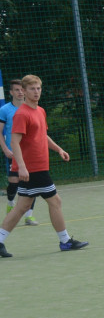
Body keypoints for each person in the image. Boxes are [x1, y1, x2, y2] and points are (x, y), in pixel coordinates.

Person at [0, 75, 88, 257]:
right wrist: (22, 167)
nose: (36, 92)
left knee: (21, 207)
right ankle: (65, 241)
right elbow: (14, 142)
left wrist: (59, 149)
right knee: (55, 201)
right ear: (23, 92)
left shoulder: (40, 111)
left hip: (38, 167)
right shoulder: (21, 114)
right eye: (32, 89)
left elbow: (42, 136)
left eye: (38, 88)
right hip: (33, 169)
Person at [1, 78, 40, 226]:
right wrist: (5, 148)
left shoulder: (32, 108)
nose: (19, 92)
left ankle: (29, 216)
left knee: (32, 181)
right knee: (14, 182)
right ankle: (11, 201)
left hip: (30, 153)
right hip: (13, 152)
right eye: (16, 90)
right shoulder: (5, 110)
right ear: (11, 92)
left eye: (21, 90)